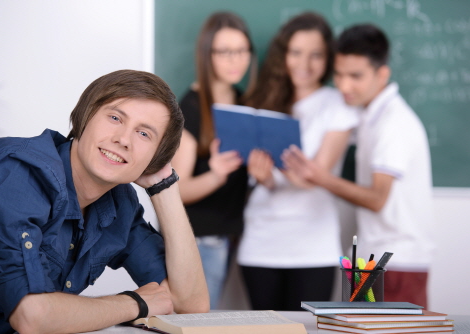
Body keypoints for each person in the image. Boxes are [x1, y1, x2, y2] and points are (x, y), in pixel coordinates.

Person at [0, 70, 209, 334]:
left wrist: (164, 186)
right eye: (115, 118)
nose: (123, 140)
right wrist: (135, 303)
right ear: (86, 116)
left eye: (144, 134)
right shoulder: (18, 174)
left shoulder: (119, 205)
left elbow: (190, 304)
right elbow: (32, 316)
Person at [282, 24, 434, 308]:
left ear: (382, 74)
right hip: (372, 258)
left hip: (397, 262)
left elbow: (377, 199)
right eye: (338, 74)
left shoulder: (393, 123)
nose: (344, 86)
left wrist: (319, 176)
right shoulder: (368, 116)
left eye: (356, 76)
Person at [236, 12, 358, 311]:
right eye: (296, 53)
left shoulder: (336, 103)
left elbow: (315, 175)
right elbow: (265, 181)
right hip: (260, 241)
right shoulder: (263, 101)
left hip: (313, 246)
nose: (304, 64)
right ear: (283, 55)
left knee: (305, 329)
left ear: (328, 59)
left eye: (315, 55)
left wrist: (285, 167)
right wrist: (263, 175)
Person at [171, 12, 256, 309]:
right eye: (225, 52)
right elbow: (176, 190)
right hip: (202, 236)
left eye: (243, 51)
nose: (236, 60)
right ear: (207, 55)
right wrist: (216, 175)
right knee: (199, 320)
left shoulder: (244, 101)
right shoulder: (190, 108)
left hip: (230, 232)